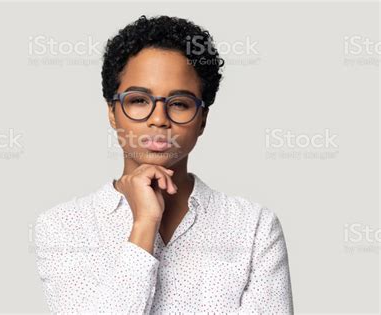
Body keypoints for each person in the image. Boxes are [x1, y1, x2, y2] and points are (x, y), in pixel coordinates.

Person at [35, 15, 294, 314]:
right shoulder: (64, 227)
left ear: (203, 120)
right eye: (139, 100)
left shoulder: (254, 227)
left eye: (180, 103)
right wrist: (144, 225)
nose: (159, 119)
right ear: (112, 112)